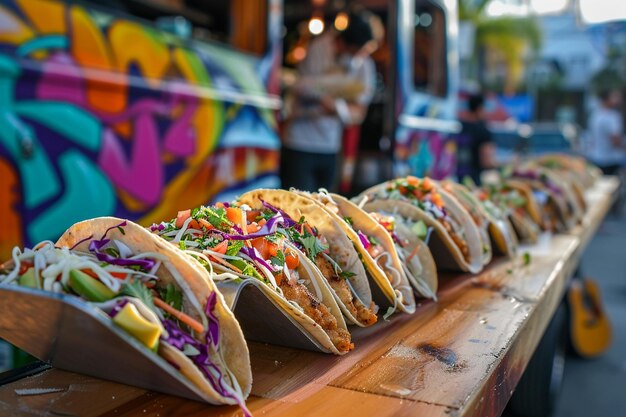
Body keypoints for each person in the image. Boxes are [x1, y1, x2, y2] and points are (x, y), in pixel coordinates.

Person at [281, 11, 376, 192]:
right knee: (296, 208)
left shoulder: (364, 64)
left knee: (326, 206)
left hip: (331, 147)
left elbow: (359, 112)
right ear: (341, 42)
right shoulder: (317, 48)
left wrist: (335, 107)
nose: (357, 57)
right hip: (299, 142)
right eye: (353, 51)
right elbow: (298, 88)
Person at [456, 93, 495, 185]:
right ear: (479, 109)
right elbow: (486, 162)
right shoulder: (483, 130)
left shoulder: (459, 127)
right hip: (475, 184)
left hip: (456, 181)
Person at [587, 89, 625, 175]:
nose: (618, 100)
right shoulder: (612, 116)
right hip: (612, 160)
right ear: (607, 100)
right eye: (615, 97)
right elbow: (615, 141)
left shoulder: (595, 115)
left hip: (596, 158)